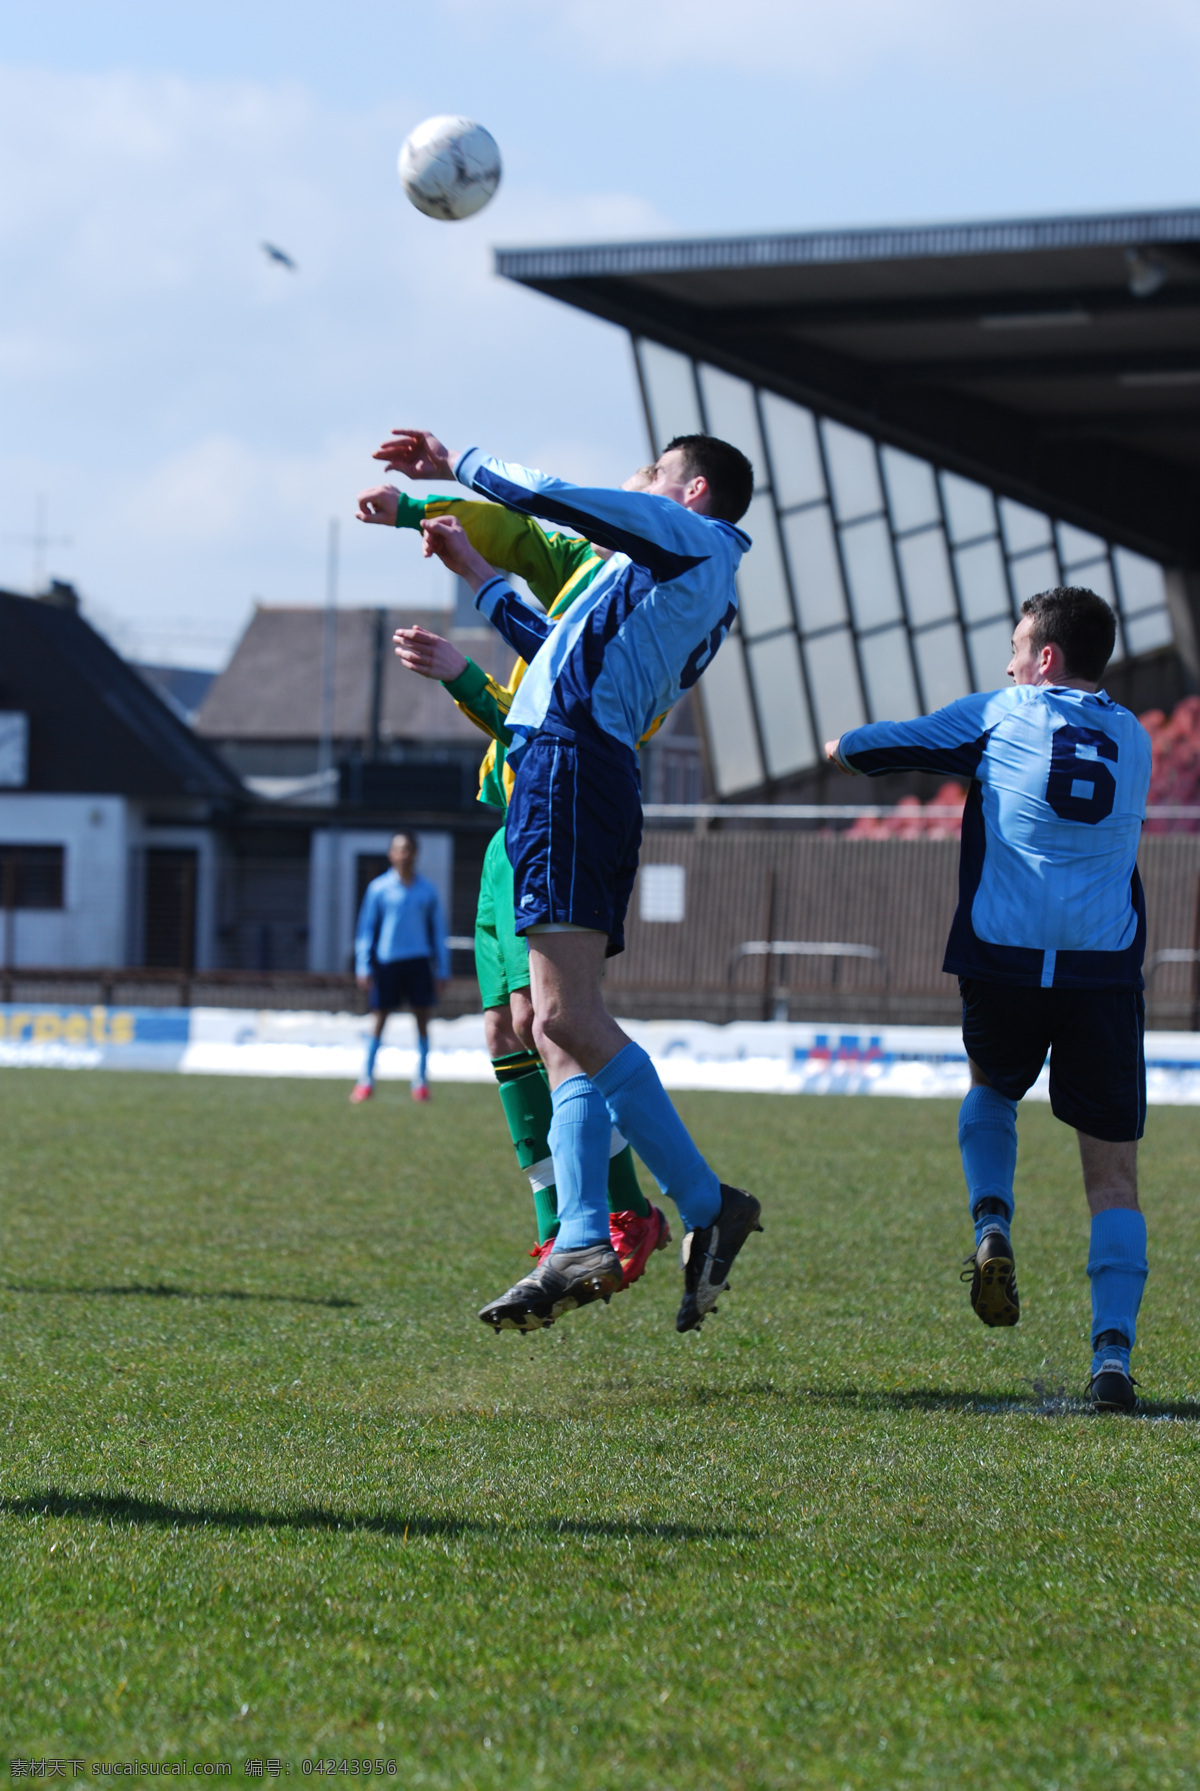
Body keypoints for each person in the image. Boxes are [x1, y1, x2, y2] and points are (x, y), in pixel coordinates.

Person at [366, 426, 762, 1335]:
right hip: (571, 763)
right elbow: (553, 649)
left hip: (571, 768)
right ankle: (586, 1227)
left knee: (563, 1018)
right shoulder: (676, 574)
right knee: (557, 1018)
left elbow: (555, 497)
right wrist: (476, 571)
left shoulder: (689, 539)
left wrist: (452, 464)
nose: (643, 485)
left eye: (657, 473)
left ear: (692, 491)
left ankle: (701, 1204)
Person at [825, 587, 1152, 1413]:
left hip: (1004, 962)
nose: (1007, 661)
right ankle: (1111, 1356)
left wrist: (840, 745)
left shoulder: (1005, 712)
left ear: (1044, 659)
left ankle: (991, 1222)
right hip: (1101, 972)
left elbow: (891, 744)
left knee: (990, 1087)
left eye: (1015, 647)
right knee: (1113, 1179)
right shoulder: (1138, 737)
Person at [353, 477, 671, 1306]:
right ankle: (552, 1218)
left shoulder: (651, 630)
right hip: (507, 830)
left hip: (560, 823)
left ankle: (626, 1210)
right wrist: (420, 510)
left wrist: (462, 676)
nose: (607, 513)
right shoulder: (579, 579)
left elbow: (550, 724)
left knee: (548, 1019)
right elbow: (517, 532)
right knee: (501, 1025)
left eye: (632, 499)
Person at [351, 830, 449, 1104]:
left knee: (422, 1021)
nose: (403, 854)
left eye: (408, 849)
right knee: (379, 1020)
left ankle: (420, 1081)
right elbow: (366, 930)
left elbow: (437, 932)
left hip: (418, 961)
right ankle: (366, 1080)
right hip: (387, 963)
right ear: (391, 854)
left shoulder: (427, 890)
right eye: (398, 849)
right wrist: (363, 964)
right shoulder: (379, 889)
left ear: (415, 854)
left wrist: (442, 969)